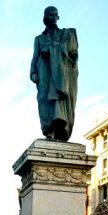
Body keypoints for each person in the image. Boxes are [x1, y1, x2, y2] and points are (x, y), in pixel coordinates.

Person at [30, 6, 78, 142]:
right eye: (50, 15)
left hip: (63, 73)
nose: (53, 18)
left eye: (55, 15)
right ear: (45, 18)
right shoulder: (39, 39)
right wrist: (33, 71)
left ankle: (59, 130)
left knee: (59, 101)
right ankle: (48, 129)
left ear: (58, 17)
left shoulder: (66, 34)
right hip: (45, 72)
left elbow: (74, 55)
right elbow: (35, 56)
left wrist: (51, 49)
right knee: (44, 100)